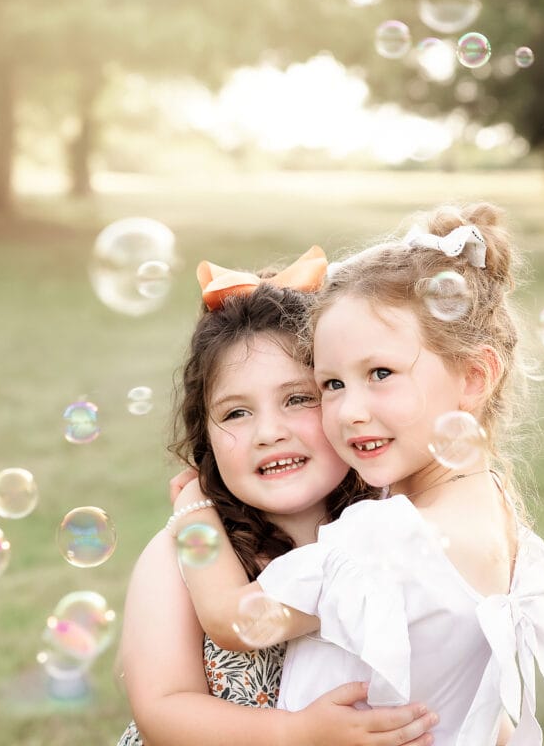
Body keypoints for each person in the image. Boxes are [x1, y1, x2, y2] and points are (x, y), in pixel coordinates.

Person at [172, 203, 544, 746]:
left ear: (474, 377)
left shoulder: (387, 540)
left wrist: (192, 507)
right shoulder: (500, 519)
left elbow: (232, 619)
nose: (350, 410)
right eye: (331, 384)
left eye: (380, 373)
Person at [117, 249, 439, 746]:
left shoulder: (388, 529)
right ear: (206, 436)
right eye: (237, 413)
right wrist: (295, 733)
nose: (269, 432)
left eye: (298, 399)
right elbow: (162, 708)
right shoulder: (181, 554)